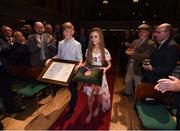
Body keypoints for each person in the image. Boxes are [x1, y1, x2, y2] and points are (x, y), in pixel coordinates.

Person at [47, 22, 83, 119]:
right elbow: (59, 55)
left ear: (72, 32)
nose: (65, 33)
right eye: (64, 31)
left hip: (73, 70)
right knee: (70, 88)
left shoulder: (77, 44)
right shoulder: (61, 43)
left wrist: (78, 66)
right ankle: (71, 100)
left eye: (67, 31)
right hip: (63, 70)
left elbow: (80, 59)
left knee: (73, 89)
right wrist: (51, 59)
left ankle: (72, 109)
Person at [81, 27, 112, 123]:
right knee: (89, 95)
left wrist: (105, 70)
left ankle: (98, 107)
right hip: (90, 76)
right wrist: (79, 65)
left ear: (100, 38)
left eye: (96, 36)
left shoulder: (105, 51)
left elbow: (109, 64)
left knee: (99, 95)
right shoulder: (88, 50)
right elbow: (86, 63)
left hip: (100, 76)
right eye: (91, 37)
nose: (93, 39)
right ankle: (90, 112)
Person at [122, 24, 156, 97]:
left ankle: (138, 98)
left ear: (148, 33)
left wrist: (132, 53)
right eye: (140, 31)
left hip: (139, 67)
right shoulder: (135, 41)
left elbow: (146, 56)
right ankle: (128, 93)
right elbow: (128, 51)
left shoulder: (151, 43)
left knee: (138, 83)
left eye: (143, 32)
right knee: (128, 80)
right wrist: (129, 53)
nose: (141, 33)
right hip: (130, 64)